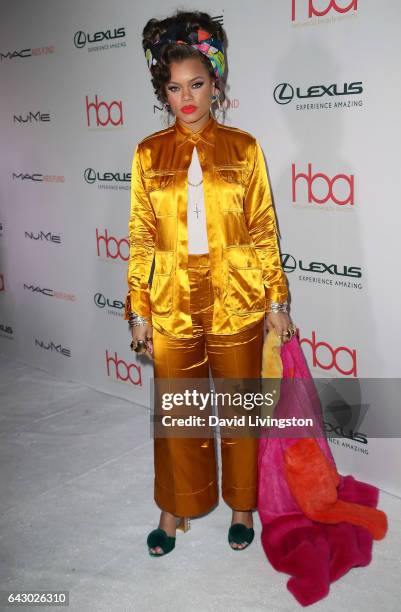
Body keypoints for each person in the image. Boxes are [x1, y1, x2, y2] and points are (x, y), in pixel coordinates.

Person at [124, 10, 296, 556]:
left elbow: (265, 227)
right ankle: (173, 509)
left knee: (242, 411)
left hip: (238, 298)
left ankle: (242, 507)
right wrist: (139, 311)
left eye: (197, 84)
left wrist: (276, 299)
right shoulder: (148, 153)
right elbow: (142, 239)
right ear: (163, 92)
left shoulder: (244, 148)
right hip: (172, 301)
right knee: (179, 412)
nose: (187, 98)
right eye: (174, 88)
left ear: (216, 82)